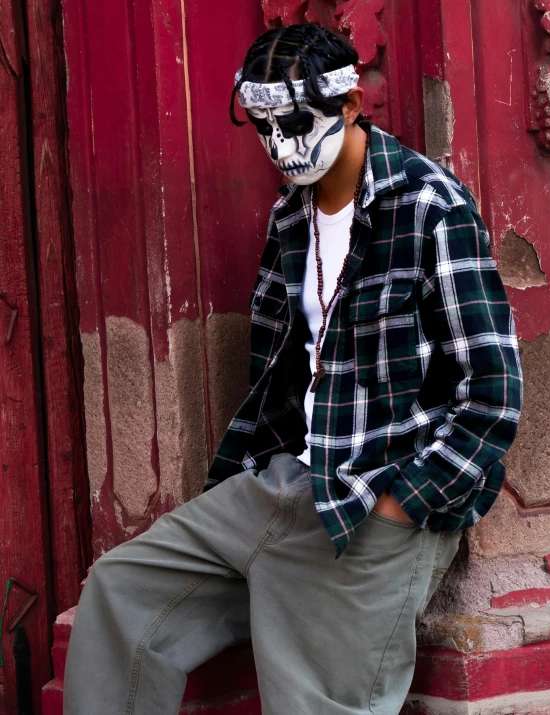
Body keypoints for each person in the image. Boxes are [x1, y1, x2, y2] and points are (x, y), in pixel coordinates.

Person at [64, 23, 523, 715]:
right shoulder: (291, 214)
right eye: (264, 126)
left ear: (350, 105)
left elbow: (494, 394)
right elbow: (283, 369)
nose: (281, 144)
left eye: (297, 122)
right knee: (121, 594)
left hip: (376, 498)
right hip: (285, 481)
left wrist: (403, 507)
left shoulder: (432, 208)